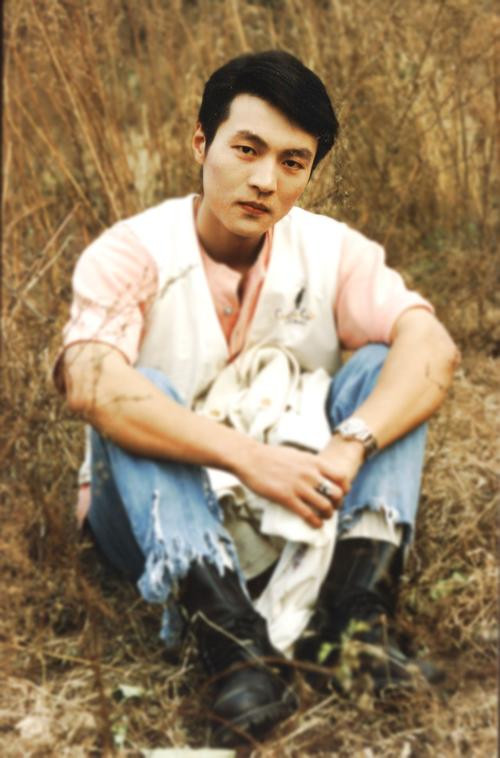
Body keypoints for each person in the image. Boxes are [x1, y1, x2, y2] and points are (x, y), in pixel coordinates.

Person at [56, 50, 458, 745]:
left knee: (384, 364)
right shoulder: (134, 252)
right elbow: (90, 382)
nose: (265, 180)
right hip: (151, 517)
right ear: (201, 144)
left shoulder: (330, 251)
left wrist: (351, 441)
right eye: (246, 149)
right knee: (141, 389)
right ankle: (233, 652)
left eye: (292, 162)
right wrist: (248, 458)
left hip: (294, 506)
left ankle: (353, 627)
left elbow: (433, 351)